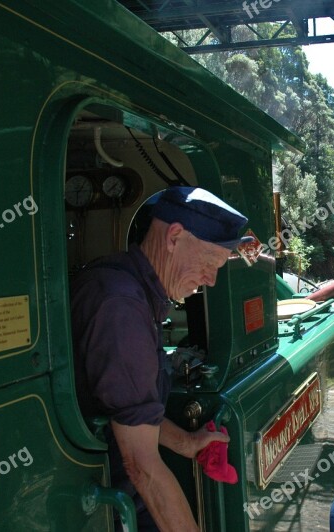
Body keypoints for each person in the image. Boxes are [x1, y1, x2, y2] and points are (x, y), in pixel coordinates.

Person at [70, 186, 252, 531]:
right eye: (209, 263)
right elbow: (141, 465)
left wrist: (188, 443)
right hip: (113, 502)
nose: (211, 280)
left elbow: (131, 410)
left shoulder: (130, 288)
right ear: (174, 236)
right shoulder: (121, 306)